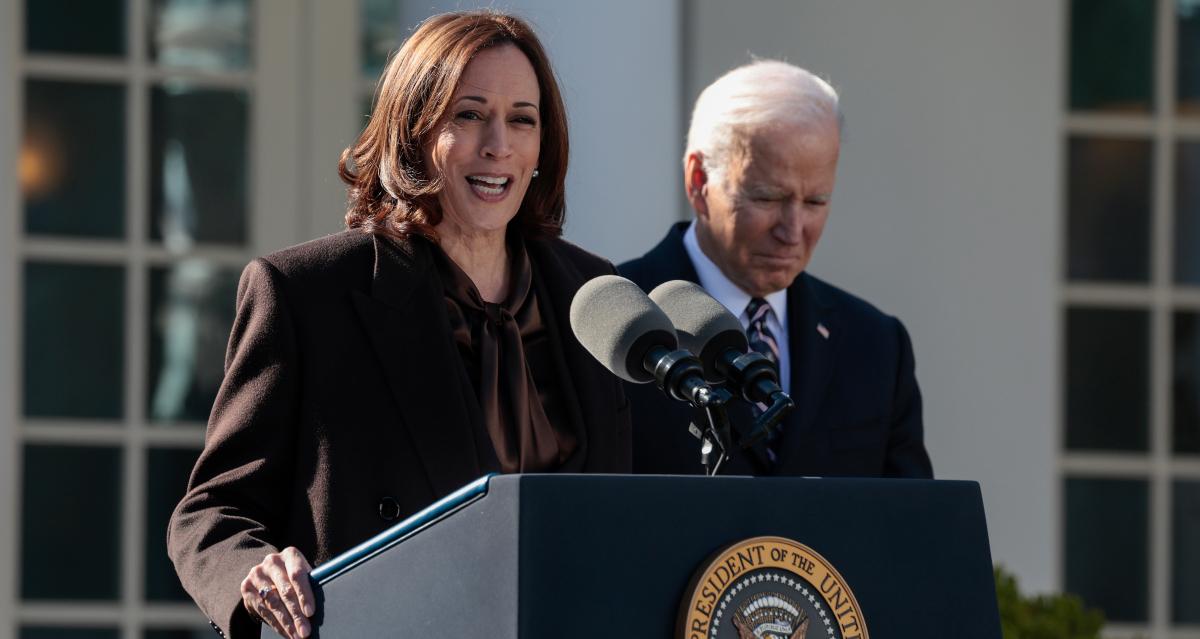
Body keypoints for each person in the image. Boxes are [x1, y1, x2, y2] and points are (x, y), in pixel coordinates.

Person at [167, 11, 631, 639]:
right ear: (413, 128)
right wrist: (256, 571)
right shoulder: (307, 293)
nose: (499, 144)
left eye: (522, 119)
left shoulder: (597, 296)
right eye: (468, 115)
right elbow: (211, 511)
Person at [620, 60, 932, 479]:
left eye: (816, 202)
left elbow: (912, 528)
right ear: (699, 181)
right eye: (767, 198)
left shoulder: (876, 345)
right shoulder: (614, 326)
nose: (792, 230)